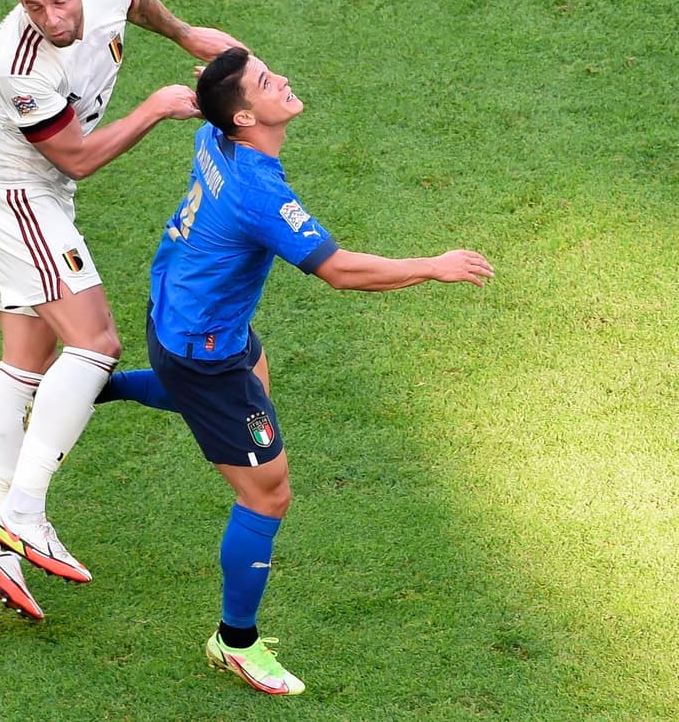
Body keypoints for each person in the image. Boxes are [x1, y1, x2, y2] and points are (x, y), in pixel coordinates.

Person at [118, 46, 494, 694]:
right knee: (268, 491)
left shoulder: (215, 133)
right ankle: (234, 641)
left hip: (181, 312)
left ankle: (98, 389)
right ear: (242, 114)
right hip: (200, 350)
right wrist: (432, 265)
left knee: (253, 379)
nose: (283, 78)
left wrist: (197, 48)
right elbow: (339, 270)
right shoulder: (259, 190)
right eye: (267, 81)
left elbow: (224, 73)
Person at [0, 0, 245, 621]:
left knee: (27, 361)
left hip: (38, 194)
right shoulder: (16, 66)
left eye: (59, 0)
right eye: (33, 6)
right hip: (14, 195)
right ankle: (22, 513)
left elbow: (134, 0)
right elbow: (77, 159)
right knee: (96, 343)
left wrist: (182, 33)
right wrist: (156, 106)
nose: (51, 18)